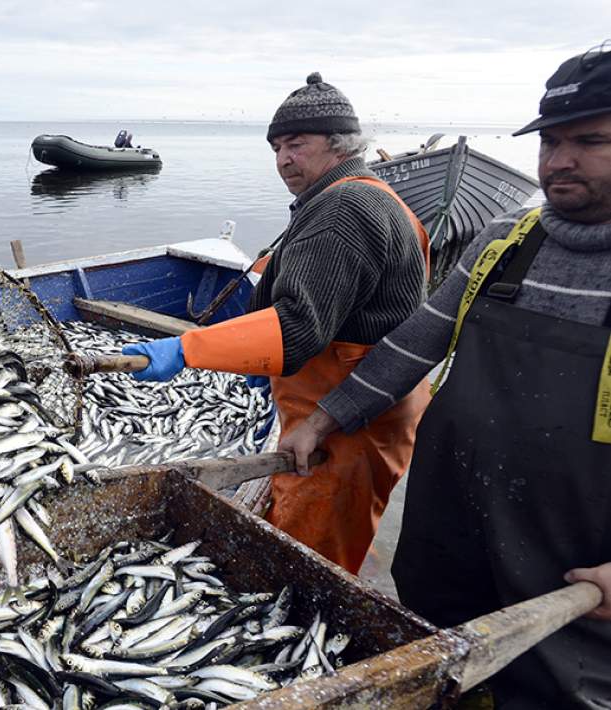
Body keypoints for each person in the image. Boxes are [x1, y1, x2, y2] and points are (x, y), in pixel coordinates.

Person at [280, 43, 611, 707]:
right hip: (453, 518)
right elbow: (413, 343)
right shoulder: (506, 240)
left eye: (590, 140)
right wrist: (324, 417)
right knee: (435, 651)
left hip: (575, 551)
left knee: (550, 688)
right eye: (549, 142)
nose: (558, 161)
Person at [121, 72, 431, 574]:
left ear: (339, 144)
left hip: (345, 420)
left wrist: (188, 350)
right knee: (333, 530)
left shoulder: (345, 208)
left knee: (305, 564)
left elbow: (297, 330)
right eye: (277, 147)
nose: (284, 159)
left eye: (297, 144)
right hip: (369, 406)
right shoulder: (373, 195)